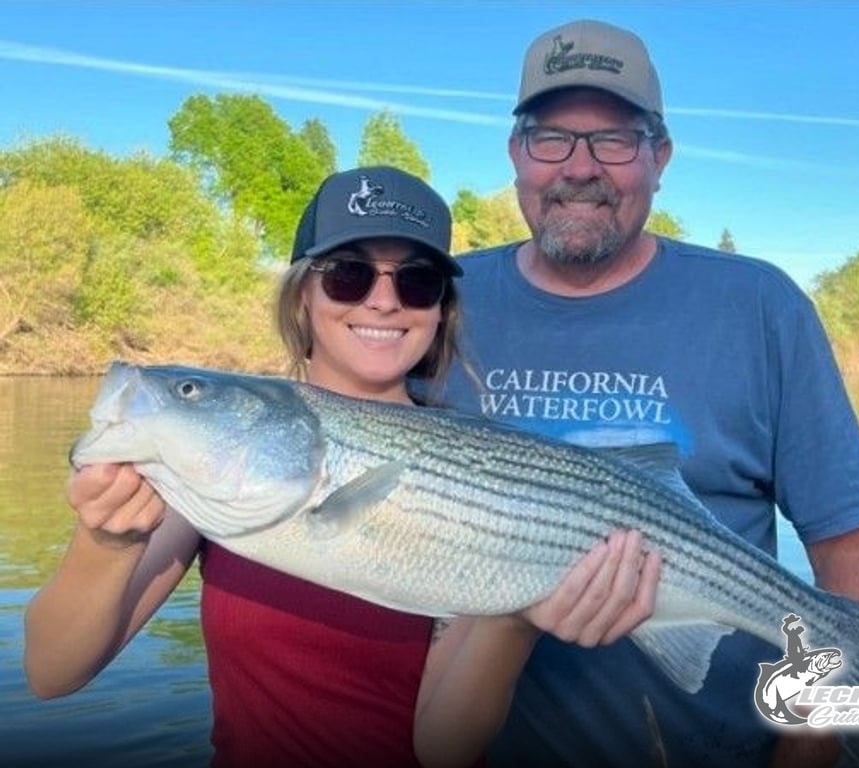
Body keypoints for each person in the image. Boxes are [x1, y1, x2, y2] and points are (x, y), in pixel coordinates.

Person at [23, 166, 661, 768]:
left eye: (416, 282)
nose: (383, 302)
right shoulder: (208, 479)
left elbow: (442, 750)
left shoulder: (484, 471)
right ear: (303, 297)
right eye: (348, 275)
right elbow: (52, 673)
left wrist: (516, 616)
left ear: (439, 312)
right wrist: (107, 542)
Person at [434, 19, 859, 768]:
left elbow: (854, 547)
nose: (579, 167)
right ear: (516, 153)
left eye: (615, 139)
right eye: (552, 136)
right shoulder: (437, 297)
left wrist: (805, 757)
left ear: (661, 157)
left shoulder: (758, 306)